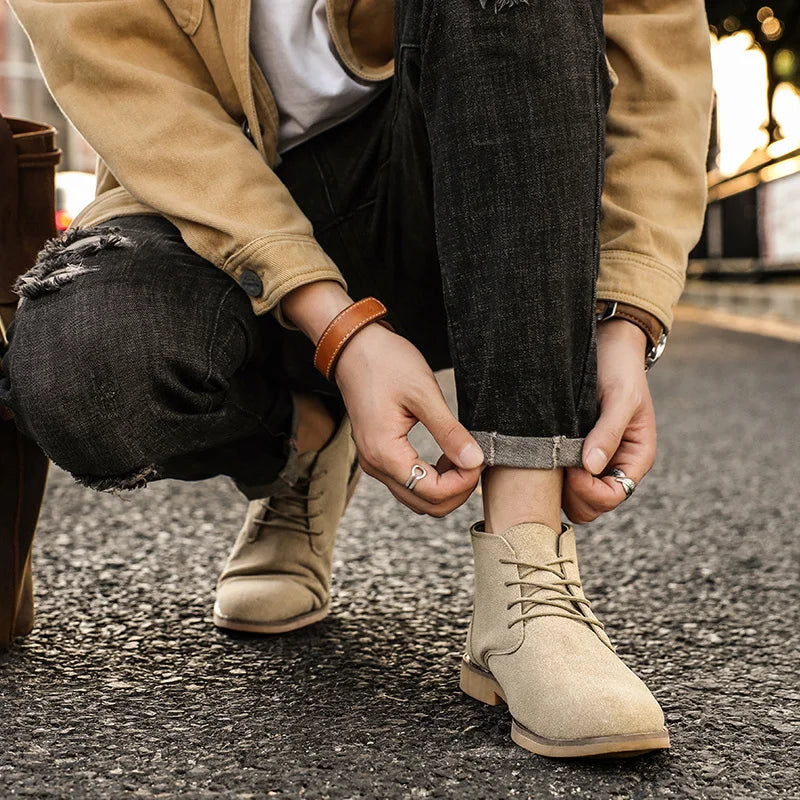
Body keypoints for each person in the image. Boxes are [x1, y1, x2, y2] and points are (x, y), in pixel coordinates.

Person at [1, 0, 712, 758]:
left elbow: (653, 37)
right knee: (81, 371)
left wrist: (626, 314)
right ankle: (309, 435)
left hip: (457, 172)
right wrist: (341, 334)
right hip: (205, 192)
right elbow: (126, 80)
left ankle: (526, 568)